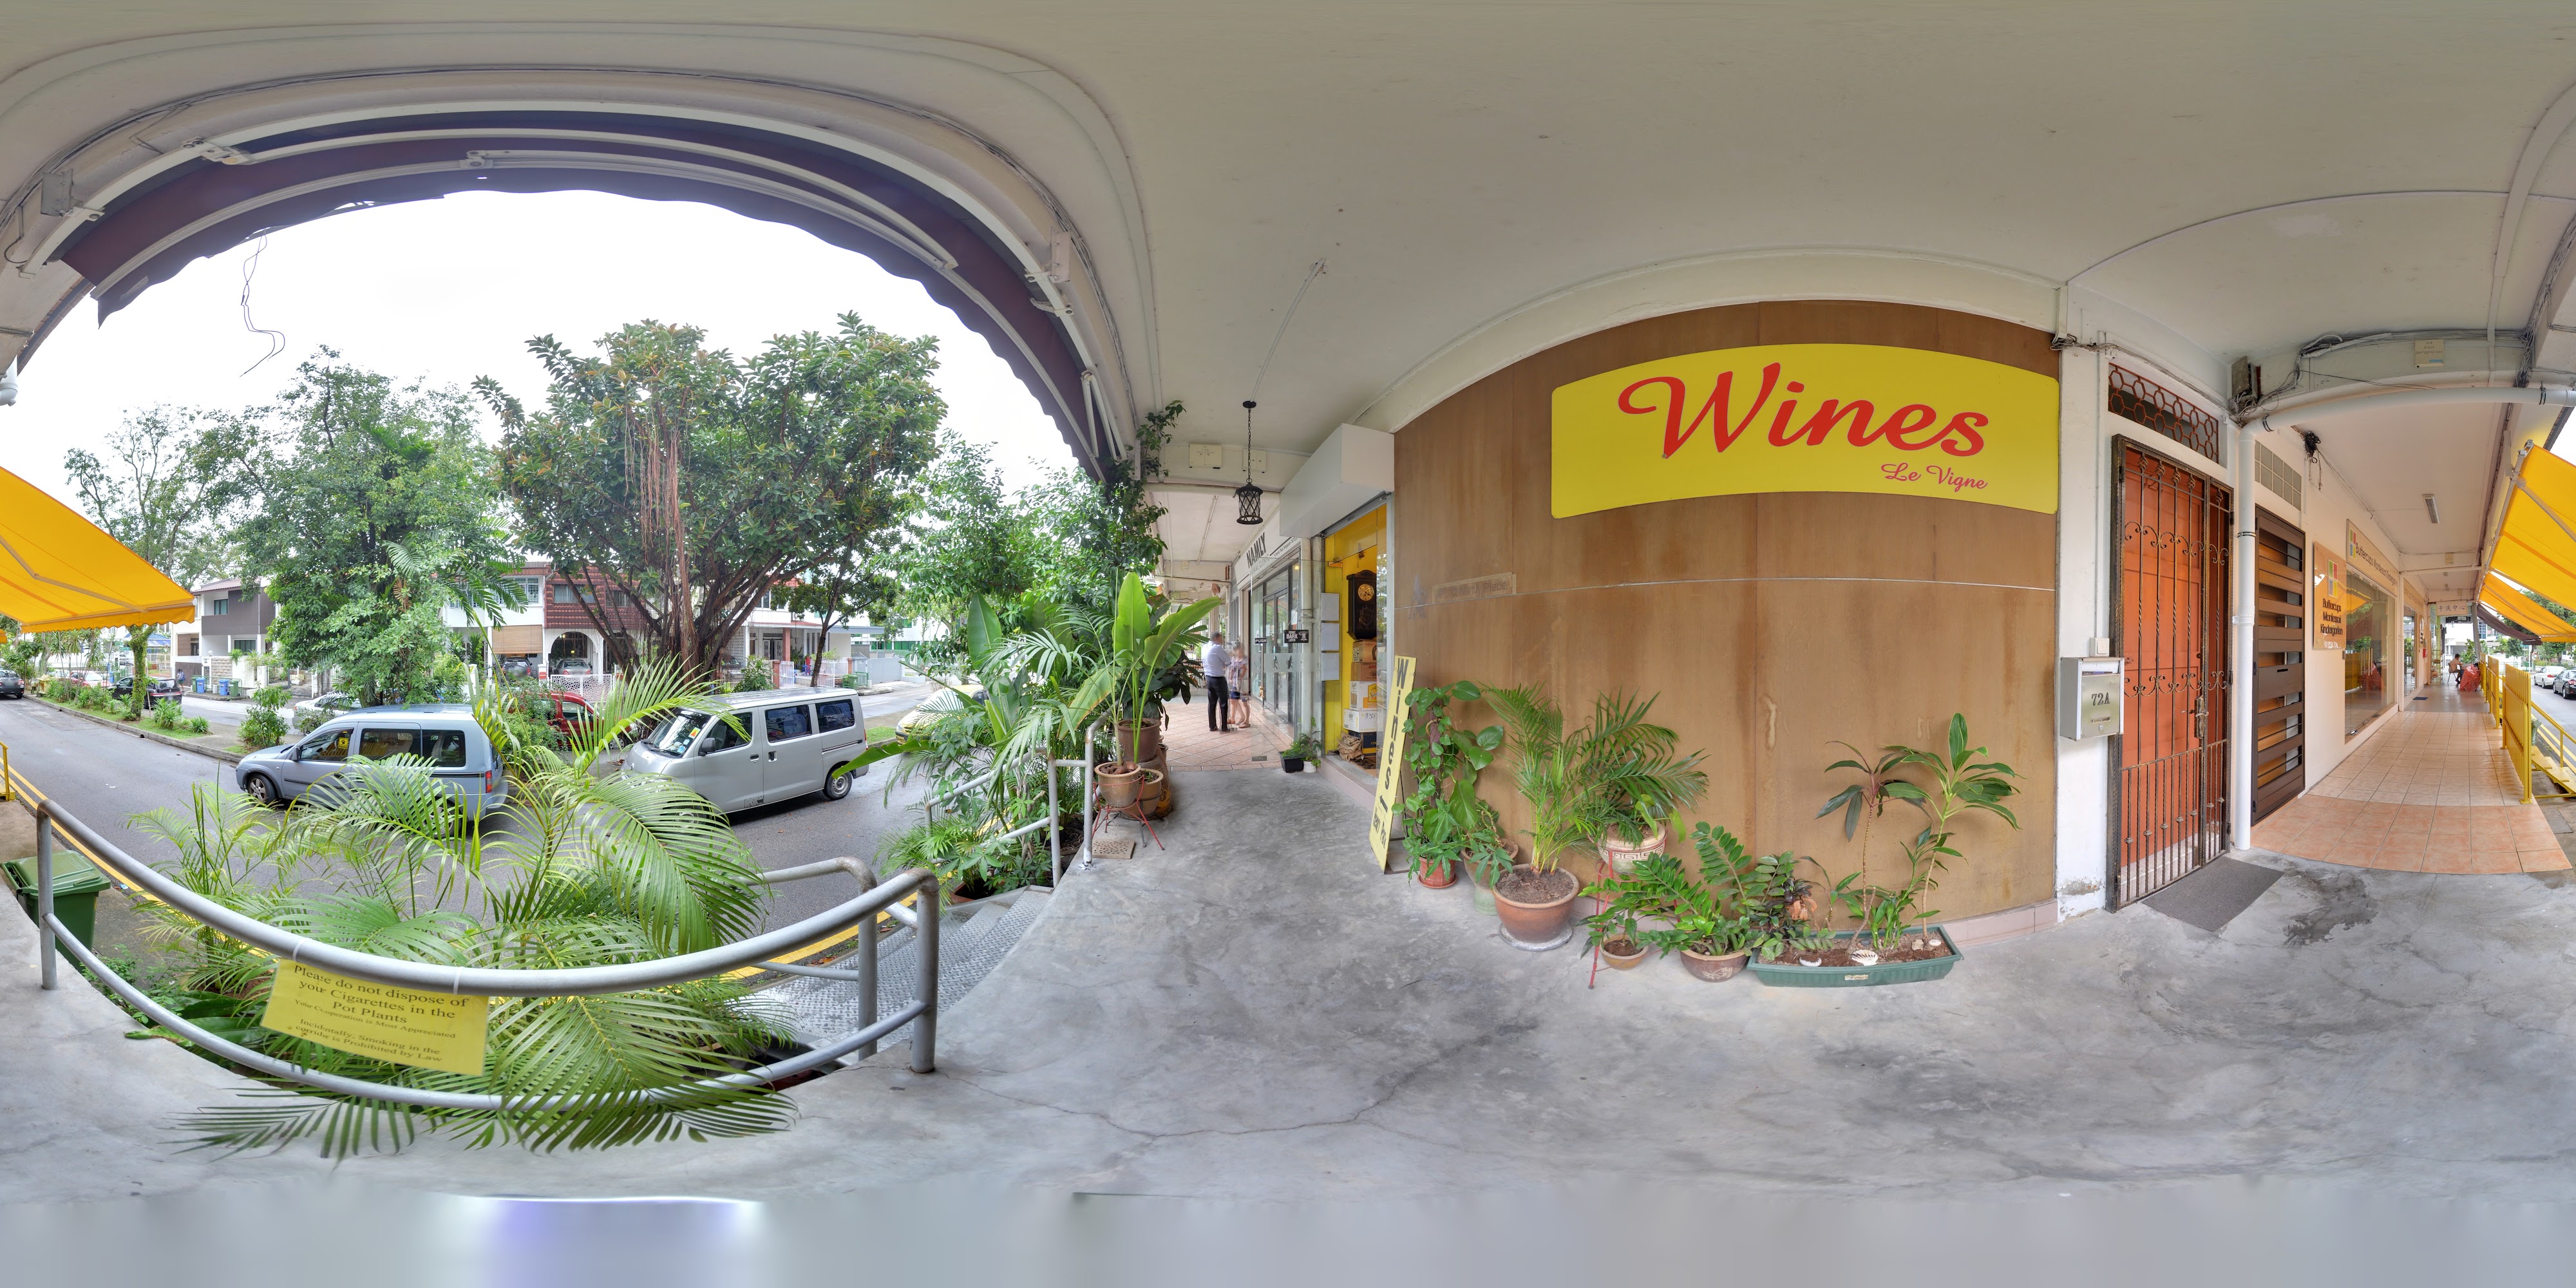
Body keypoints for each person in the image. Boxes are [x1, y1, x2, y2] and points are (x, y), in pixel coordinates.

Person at [1204, 632, 1234, 732]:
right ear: (1216, 638)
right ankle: (1224, 727)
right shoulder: (1217, 648)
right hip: (1218, 679)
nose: (1222, 641)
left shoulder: (1205, 647)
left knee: (1212, 703)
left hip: (1208, 678)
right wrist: (1222, 663)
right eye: (1221, 638)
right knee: (1224, 703)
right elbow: (1228, 662)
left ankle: (1212, 726)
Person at [1226, 648, 1251, 729]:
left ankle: (1247, 721)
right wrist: (1230, 678)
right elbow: (1232, 669)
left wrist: (1240, 678)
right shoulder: (1234, 659)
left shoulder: (1246, 660)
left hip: (1244, 684)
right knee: (1233, 700)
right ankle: (1232, 718)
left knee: (1244, 702)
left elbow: (1245, 670)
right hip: (1235, 684)